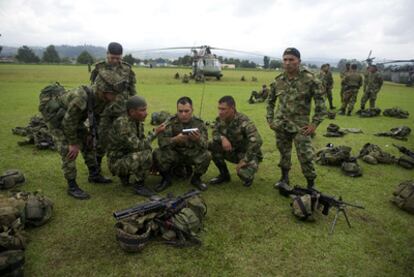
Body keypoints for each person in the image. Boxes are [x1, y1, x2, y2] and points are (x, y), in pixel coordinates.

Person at [43, 82, 117, 200]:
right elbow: (67, 122)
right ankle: (72, 186)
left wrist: (90, 134)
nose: (116, 97)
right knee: (68, 151)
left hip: (74, 120)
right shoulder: (80, 98)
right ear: (104, 91)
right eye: (113, 94)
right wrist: (73, 143)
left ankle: (94, 175)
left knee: (89, 145)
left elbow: (95, 116)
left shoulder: (102, 99)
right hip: (57, 120)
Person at [266, 47, 326, 188]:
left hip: (301, 126)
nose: (287, 63)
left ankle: (311, 185)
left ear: (299, 61)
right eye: (285, 60)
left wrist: (314, 125)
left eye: (291, 59)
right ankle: (284, 179)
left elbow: (321, 106)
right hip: (281, 124)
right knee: (284, 154)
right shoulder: (278, 81)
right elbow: (270, 102)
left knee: (306, 156)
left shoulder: (310, 80)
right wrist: (270, 119)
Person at [107, 96, 166, 197]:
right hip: (116, 162)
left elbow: (142, 142)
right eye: (142, 110)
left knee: (147, 150)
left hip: (124, 156)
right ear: (132, 111)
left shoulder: (137, 122)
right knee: (146, 155)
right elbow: (138, 146)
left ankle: (125, 177)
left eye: (145, 109)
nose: (146, 113)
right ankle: (139, 185)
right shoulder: (123, 124)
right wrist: (155, 133)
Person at [90, 42, 137, 164]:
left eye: (118, 58)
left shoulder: (127, 69)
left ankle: (123, 163)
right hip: (103, 111)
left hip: (122, 111)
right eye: (112, 58)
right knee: (102, 139)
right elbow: (92, 90)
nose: (115, 60)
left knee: (124, 137)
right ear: (107, 54)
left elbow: (132, 91)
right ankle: (96, 169)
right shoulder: (99, 68)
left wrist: (134, 108)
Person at [154, 97, 211, 192]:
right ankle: (166, 179)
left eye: (186, 111)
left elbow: (205, 145)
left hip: (191, 154)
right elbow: (161, 143)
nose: (183, 114)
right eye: (180, 111)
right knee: (158, 153)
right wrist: (175, 140)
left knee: (207, 155)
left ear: (192, 110)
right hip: (175, 154)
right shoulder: (170, 122)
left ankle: (196, 179)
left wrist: (198, 139)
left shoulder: (199, 123)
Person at [209, 96, 263, 187]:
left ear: (232, 108)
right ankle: (224, 175)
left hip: (247, 154)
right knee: (211, 145)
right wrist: (222, 138)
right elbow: (214, 133)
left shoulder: (243, 121)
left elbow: (258, 140)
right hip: (231, 151)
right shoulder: (219, 120)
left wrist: (245, 160)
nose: (220, 112)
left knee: (243, 173)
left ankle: (248, 177)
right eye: (219, 109)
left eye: (223, 109)